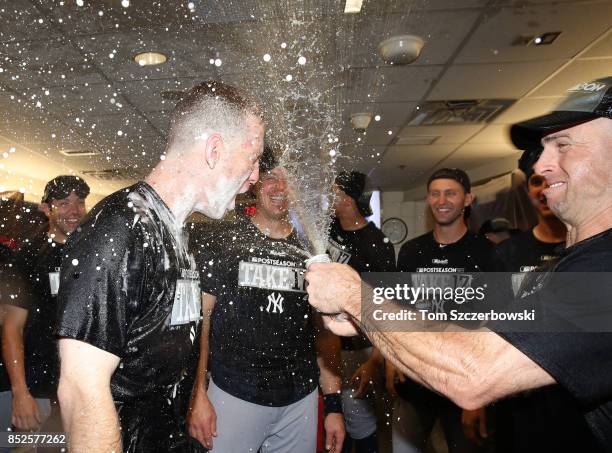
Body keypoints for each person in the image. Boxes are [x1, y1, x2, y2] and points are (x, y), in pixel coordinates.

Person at [305, 76, 612, 451]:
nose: (542, 165)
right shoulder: (573, 265)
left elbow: (475, 372)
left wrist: (356, 297)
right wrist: (370, 319)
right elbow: (480, 337)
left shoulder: (605, 272)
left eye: (562, 145)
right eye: (545, 148)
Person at [55, 81, 265, 453]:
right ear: (214, 149)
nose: (254, 178)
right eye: (252, 159)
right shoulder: (119, 229)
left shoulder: (176, 231)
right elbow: (81, 388)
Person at [187, 147, 345, 453]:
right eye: (272, 177)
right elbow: (201, 321)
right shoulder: (224, 242)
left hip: (299, 398)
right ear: (256, 182)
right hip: (233, 393)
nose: (280, 187)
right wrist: (198, 395)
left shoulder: (313, 252)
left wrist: (334, 404)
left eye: (290, 180)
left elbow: (326, 332)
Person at [392, 168, 496, 453]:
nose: (442, 200)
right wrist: (393, 357)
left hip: (464, 382)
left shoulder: (487, 253)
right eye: (435, 193)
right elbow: (402, 312)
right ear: (428, 199)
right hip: (417, 378)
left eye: (450, 193)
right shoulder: (412, 252)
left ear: (467, 199)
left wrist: (480, 396)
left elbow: (492, 327)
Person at [1, 176, 89, 438]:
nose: (74, 211)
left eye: (80, 203)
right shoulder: (28, 257)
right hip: (38, 387)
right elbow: (11, 328)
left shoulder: (91, 255)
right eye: (64, 203)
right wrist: (20, 392)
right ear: (46, 209)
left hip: (80, 387)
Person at [329, 171, 395, 453]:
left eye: (335, 193)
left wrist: (377, 358)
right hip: (325, 343)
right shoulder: (328, 230)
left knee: (359, 421)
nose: (329, 199)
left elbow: (387, 305)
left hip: (358, 347)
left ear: (349, 199)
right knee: (331, 416)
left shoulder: (377, 245)